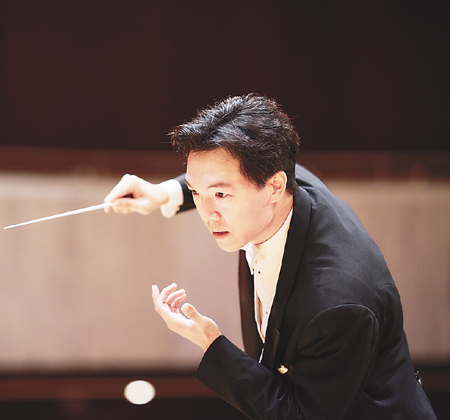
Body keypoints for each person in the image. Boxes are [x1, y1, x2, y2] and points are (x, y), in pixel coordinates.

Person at [103, 94, 436, 419]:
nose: (207, 213)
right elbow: (218, 175)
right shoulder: (282, 176)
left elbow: (302, 413)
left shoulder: (336, 304)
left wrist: (210, 343)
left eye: (221, 195)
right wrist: (163, 193)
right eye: (196, 192)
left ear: (275, 186)